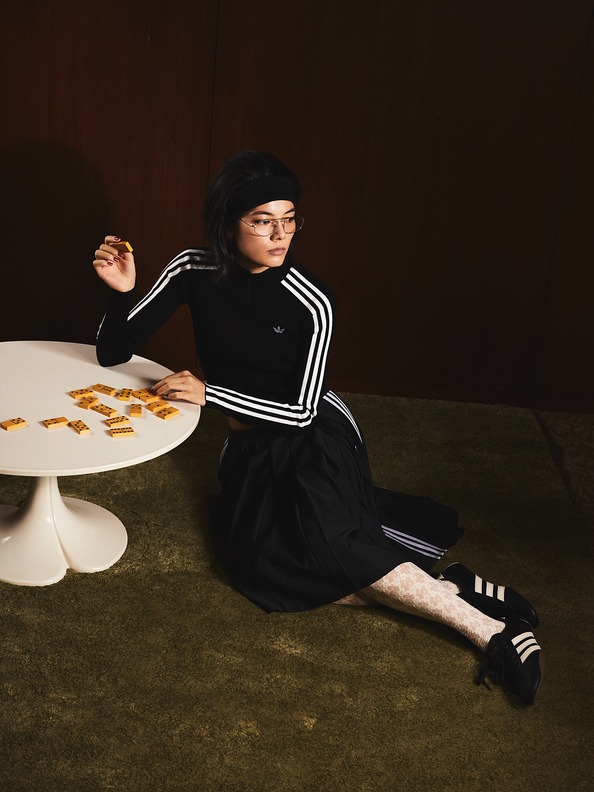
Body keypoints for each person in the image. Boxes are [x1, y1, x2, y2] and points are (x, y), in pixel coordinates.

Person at [93, 150, 544, 704]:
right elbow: (113, 353)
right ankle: (456, 586)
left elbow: (302, 410)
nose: (280, 235)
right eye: (263, 221)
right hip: (247, 447)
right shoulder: (192, 269)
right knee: (259, 573)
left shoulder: (313, 301)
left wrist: (210, 394)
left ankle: (490, 632)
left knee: (337, 549)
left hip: (313, 441)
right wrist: (120, 294)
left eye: (289, 220)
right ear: (227, 225)